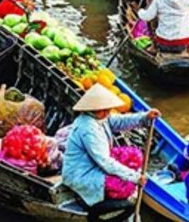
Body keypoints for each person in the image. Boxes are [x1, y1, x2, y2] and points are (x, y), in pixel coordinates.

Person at [62, 84, 160, 222]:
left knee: (134, 155)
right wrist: (135, 177)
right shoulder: (88, 129)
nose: (107, 112)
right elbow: (105, 162)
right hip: (82, 173)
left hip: (94, 163)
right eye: (104, 110)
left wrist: (144, 117)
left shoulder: (100, 118)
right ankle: (93, 206)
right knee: (124, 190)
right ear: (94, 110)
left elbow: (119, 121)